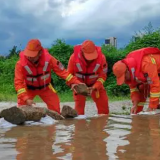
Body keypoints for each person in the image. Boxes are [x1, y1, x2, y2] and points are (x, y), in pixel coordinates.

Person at [14, 39, 81, 114]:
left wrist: (77, 82)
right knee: (21, 112)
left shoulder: (49, 59)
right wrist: (25, 98)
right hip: (28, 89)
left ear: (40, 53)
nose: (30, 57)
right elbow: (18, 83)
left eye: (33, 55)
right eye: (29, 54)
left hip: (46, 88)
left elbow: (63, 72)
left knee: (56, 111)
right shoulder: (20, 64)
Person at [112, 47, 160, 114]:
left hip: (155, 70)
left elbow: (155, 85)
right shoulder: (130, 72)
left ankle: (155, 106)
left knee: (154, 87)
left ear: (127, 71)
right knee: (142, 87)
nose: (125, 80)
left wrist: (151, 107)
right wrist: (135, 105)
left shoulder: (145, 63)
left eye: (124, 77)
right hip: (153, 74)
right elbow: (134, 90)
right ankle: (139, 110)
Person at [67, 40, 109, 115]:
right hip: (79, 87)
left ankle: (103, 125)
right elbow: (68, 75)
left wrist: (95, 87)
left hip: (95, 86)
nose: (90, 59)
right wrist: (72, 84)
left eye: (92, 56)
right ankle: (80, 126)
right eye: (88, 56)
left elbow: (103, 76)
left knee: (104, 110)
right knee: (79, 112)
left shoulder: (102, 58)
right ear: (82, 52)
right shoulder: (73, 58)